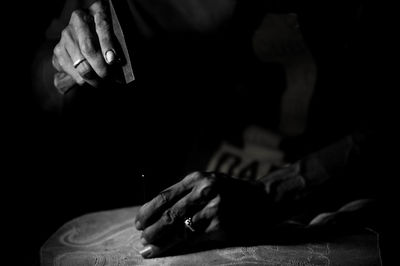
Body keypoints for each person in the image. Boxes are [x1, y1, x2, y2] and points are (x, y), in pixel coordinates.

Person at [44, 0, 392, 260]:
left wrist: (273, 194)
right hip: (196, 198)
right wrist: (66, 62)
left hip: (347, 204)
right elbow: (45, 82)